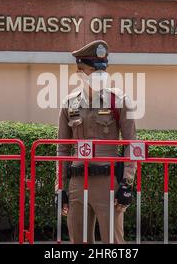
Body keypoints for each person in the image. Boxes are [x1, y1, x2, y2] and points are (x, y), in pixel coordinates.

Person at [55, 40, 137, 244]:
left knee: (113, 242)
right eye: (93, 69)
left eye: (102, 68)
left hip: (108, 183)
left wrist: (127, 183)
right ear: (80, 71)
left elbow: (131, 145)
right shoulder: (69, 103)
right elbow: (62, 149)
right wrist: (60, 187)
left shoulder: (119, 101)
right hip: (77, 182)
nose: (100, 74)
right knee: (78, 241)